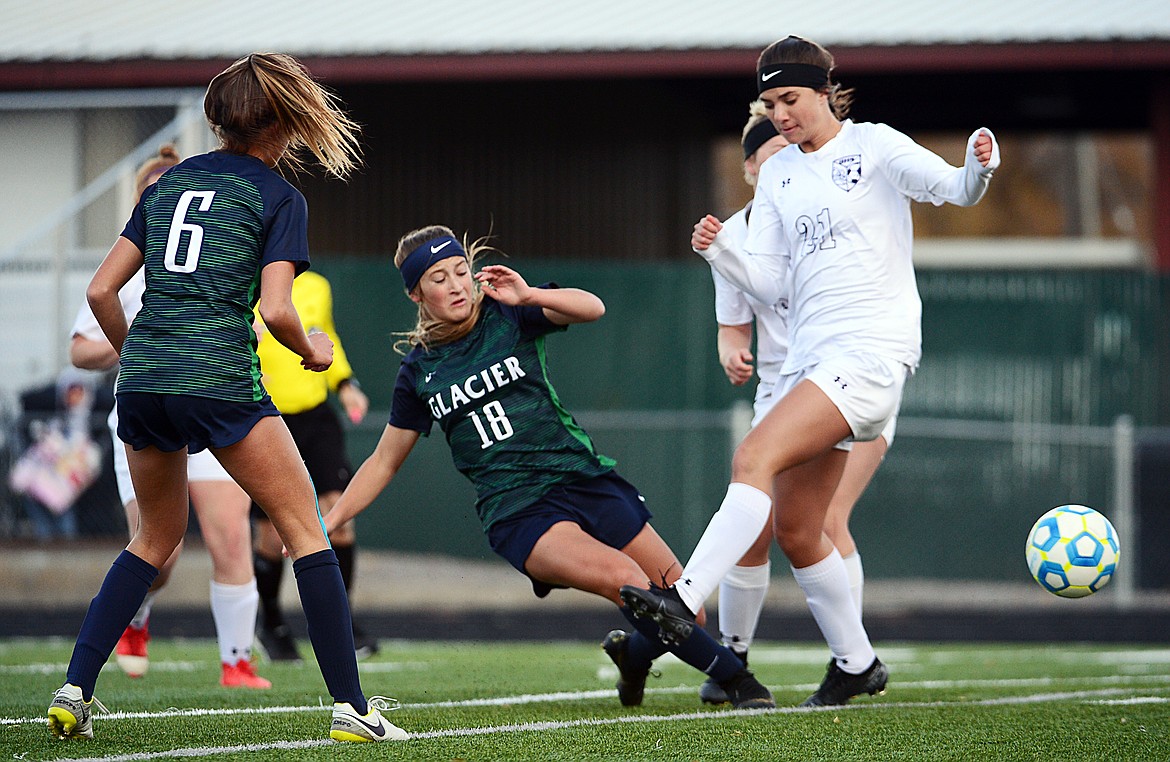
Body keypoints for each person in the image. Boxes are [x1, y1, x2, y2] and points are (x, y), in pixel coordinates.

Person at [622, 34, 999, 707]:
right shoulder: (780, 175)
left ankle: (681, 601)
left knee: (752, 459)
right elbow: (768, 282)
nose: (781, 113)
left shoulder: (876, 145)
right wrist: (721, 256)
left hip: (871, 355)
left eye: (790, 98)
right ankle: (856, 663)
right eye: (770, 102)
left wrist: (980, 167)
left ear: (827, 90)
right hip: (813, 363)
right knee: (799, 530)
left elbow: (955, 190)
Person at [47, 52, 407, 743]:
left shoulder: (167, 183)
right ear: (287, 123)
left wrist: (137, 355)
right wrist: (313, 352)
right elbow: (276, 310)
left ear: (217, 118)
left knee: (152, 539)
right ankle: (353, 709)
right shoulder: (279, 196)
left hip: (143, 381)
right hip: (217, 377)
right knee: (306, 530)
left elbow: (100, 292)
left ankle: (75, 689)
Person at [320, 224, 774, 710]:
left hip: (584, 478)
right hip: (519, 509)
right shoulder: (418, 371)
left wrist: (530, 293)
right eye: (437, 278)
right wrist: (329, 521)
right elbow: (384, 461)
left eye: (459, 271)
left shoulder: (507, 314)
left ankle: (635, 659)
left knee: (687, 613)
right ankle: (737, 680)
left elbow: (594, 308)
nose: (455, 284)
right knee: (628, 581)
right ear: (416, 292)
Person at [695, 102, 893, 705]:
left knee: (821, 522)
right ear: (752, 171)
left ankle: (848, 653)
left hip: (848, 381)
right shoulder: (737, 234)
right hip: (782, 391)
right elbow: (738, 319)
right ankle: (739, 658)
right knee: (775, 530)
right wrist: (732, 348)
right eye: (772, 157)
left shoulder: (830, 211)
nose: (790, 164)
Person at [68, 144, 271, 689]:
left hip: (210, 403)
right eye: (153, 190)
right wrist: (138, 349)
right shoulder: (125, 268)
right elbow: (80, 348)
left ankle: (237, 660)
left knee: (231, 534)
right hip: (150, 408)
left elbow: (255, 320)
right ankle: (133, 616)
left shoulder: (219, 256)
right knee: (162, 550)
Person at [250, 270, 378, 662]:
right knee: (272, 532)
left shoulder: (317, 286)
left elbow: (326, 337)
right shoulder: (243, 282)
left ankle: (341, 619)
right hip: (266, 415)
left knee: (338, 512)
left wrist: (345, 384)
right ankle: (270, 623)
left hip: (316, 417)